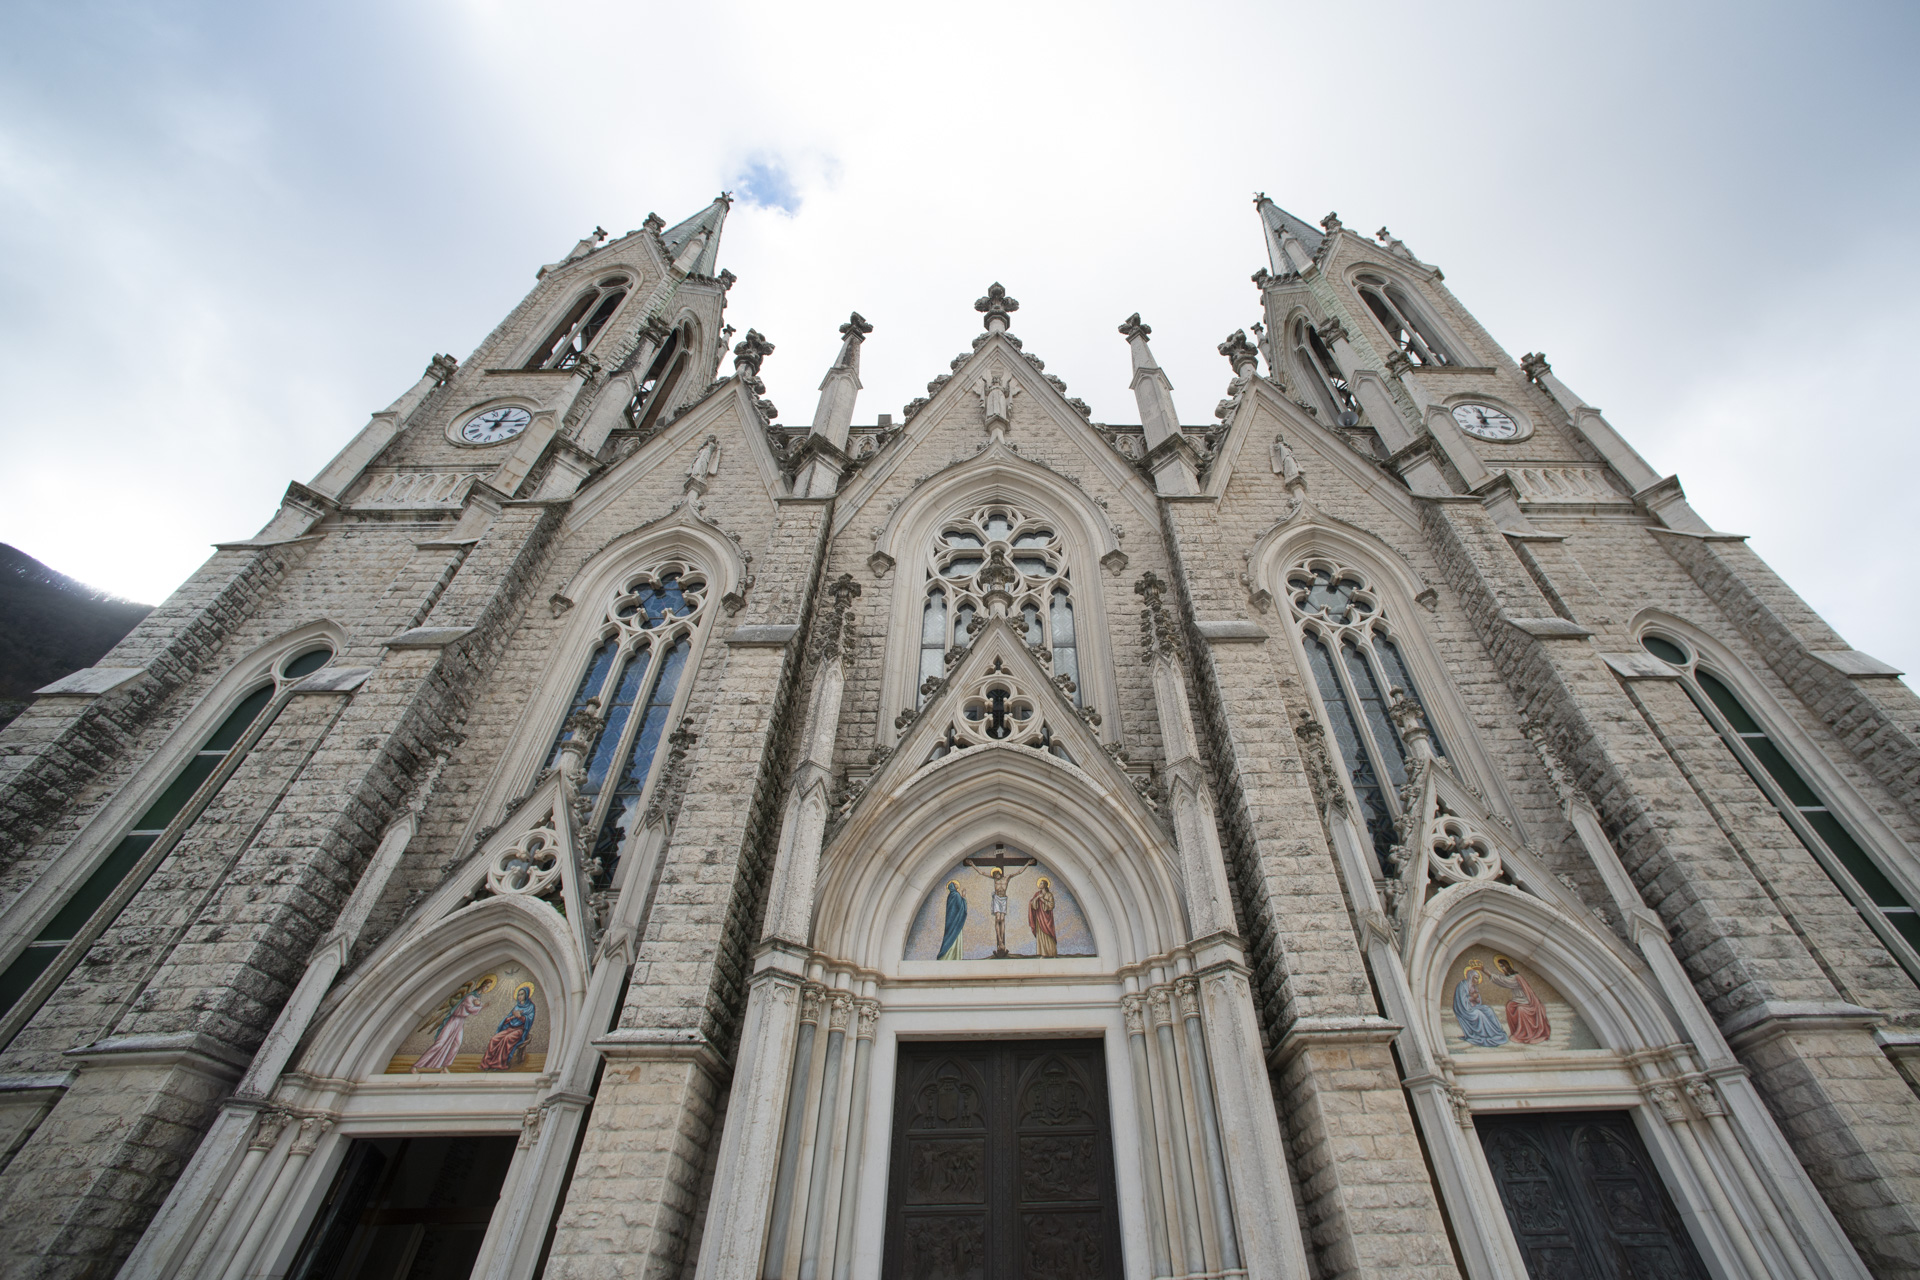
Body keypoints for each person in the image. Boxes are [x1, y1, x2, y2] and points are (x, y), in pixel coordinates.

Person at [411, 974, 495, 1072]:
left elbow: (476, 1005)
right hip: (453, 1020)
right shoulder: (470, 996)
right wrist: (483, 1006)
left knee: (457, 1043)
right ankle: (416, 1066)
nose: (487, 989)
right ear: (482, 985)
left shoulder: (477, 997)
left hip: (460, 1021)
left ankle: (445, 1066)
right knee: (440, 1043)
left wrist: (480, 1005)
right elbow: (470, 1008)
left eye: (488, 987)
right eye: (486, 986)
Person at [1485, 955, 1551, 1044]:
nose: (1502, 968)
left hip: (1527, 1002)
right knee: (1509, 1006)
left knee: (1521, 1009)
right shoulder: (1511, 977)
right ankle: (1516, 1031)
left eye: (1503, 966)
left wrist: (1486, 972)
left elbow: (1505, 981)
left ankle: (1526, 1033)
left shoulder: (1516, 977)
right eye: (1500, 967)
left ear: (1507, 966)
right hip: (1518, 1001)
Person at [480, 983, 539, 1070]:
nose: (520, 996)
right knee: (494, 1039)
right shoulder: (516, 1007)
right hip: (510, 1028)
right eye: (518, 994)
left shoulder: (531, 1006)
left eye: (522, 994)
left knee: (506, 1039)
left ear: (526, 994)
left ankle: (498, 1064)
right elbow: (507, 1018)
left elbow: (529, 1020)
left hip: (520, 1030)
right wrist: (511, 1017)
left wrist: (520, 1017)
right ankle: (487, 1063)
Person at [1451, 960, 1507, 1048]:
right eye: (1475, 978)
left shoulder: (1474, 986)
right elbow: (1461, 1001)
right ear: (1470, 976)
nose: (1477, 980)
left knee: (1488, 1010)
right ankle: (1484, 1035)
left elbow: (1478, 1001)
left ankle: (1497, 1031)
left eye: (1477, 978)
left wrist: (1477, 998)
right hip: (1464, 1009)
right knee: (1479, 1014)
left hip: (1474, 1007)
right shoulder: (1462, 985)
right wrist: (1473, 997)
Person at [937, 880, 967, 960]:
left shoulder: (950, 895)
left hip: (950, 922)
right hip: (956, 922)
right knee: (954, 936)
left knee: (949, 936)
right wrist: (963, 897)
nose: (957, 885)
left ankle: (947, 955)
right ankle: (953, 956)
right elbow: (961, 908)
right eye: (956, 884)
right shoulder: (956, 895)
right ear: (953, 886)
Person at [1028, 877, 1058, 957]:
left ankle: (1051, 953)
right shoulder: (1037, 894)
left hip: (1047, 918)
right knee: (1040, 934)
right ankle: (1043, 953)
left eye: (1041, 883)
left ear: (1045, 885)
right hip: (1039, 917)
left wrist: (1043, 900)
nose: (1039, 884)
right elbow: (1032, 904)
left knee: (1048, 934)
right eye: (1040, 883)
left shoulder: (1049, 895)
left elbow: (1051, 905)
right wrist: (1037, 898)